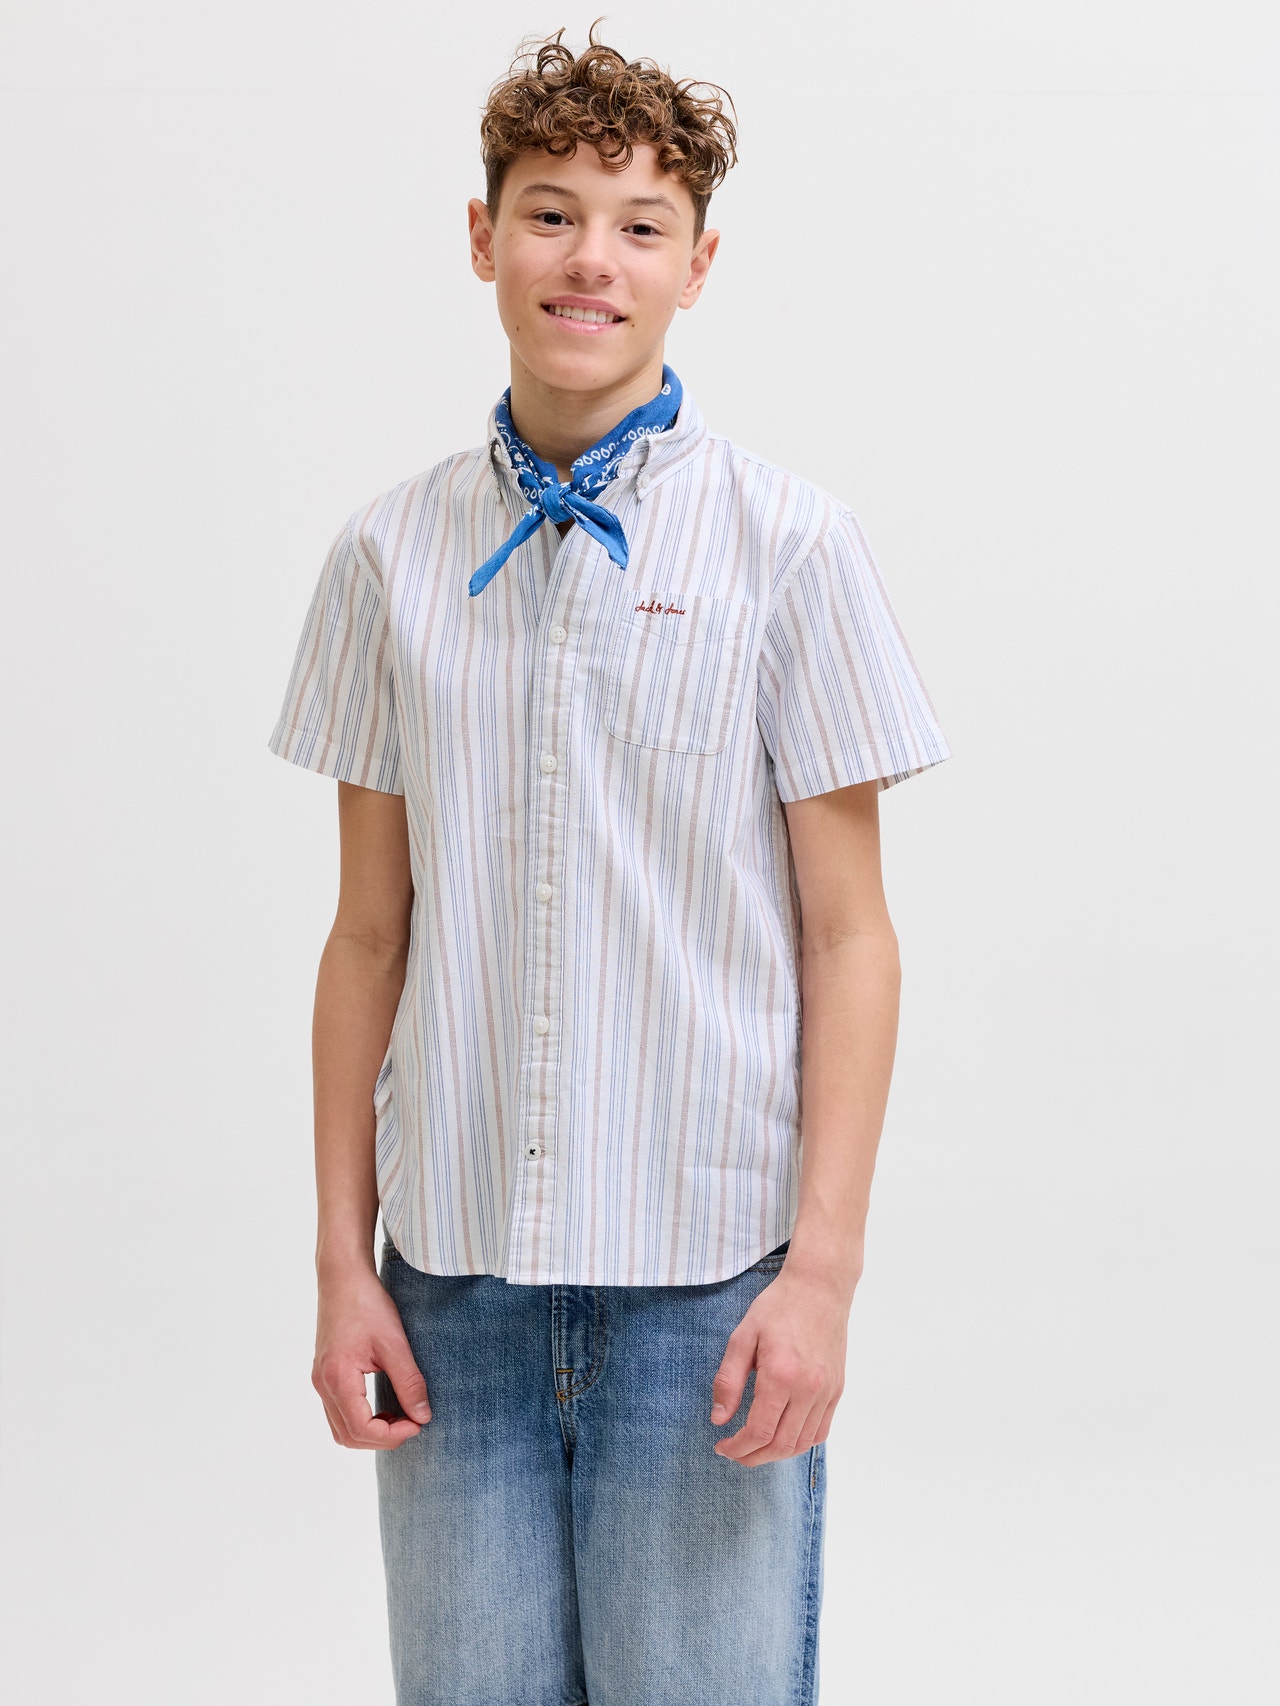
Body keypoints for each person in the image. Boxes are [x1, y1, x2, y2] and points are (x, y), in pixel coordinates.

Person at [266, 22, 951, 1706]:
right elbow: (367, 938)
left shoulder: (792, 548)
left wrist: (821, 1276)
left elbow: (851, 937)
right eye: (552, 213)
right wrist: (347, 1265)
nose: (593, 258)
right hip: (453, 1300)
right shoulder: (388, 554)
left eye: (642, 225)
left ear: (698, 265)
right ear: (483, 236)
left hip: (704, 1300)